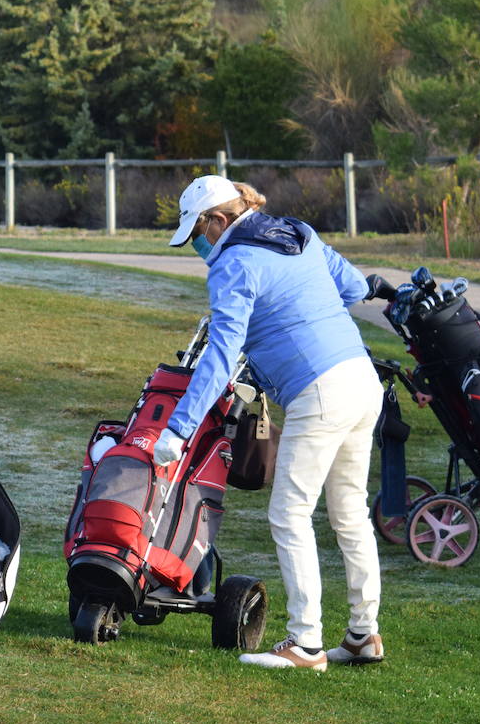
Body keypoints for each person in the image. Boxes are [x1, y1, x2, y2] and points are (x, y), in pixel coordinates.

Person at [154, 175, 384, 670]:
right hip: (362, 379)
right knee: (349, 512)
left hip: (319, 392)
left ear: (218, 220)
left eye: (197, 232)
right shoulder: (296, 231)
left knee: (289, 513)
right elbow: (354, 287)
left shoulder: (234, 262)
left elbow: (220, 353)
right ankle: (364, 635)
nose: (198, 244)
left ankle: (304, 643)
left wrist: (177, 428)